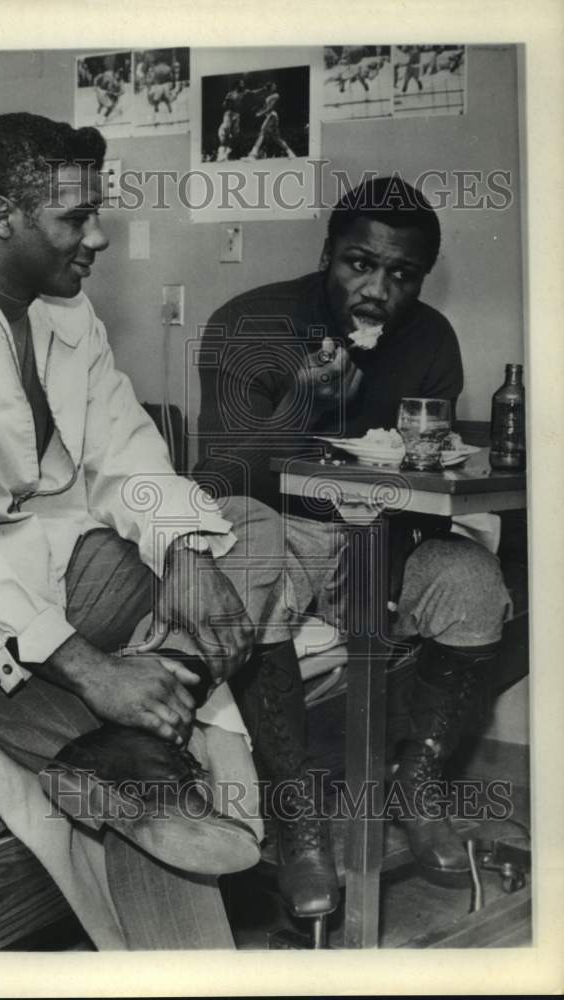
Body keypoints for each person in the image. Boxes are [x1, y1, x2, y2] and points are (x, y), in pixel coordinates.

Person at [0, 112, 327, 949]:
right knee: (137, 758)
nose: (99, 238)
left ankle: (142, 721)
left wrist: (184, 549)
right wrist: (88, 669)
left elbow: (125, 450)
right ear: (3, 215)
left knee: (249, 527)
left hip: (72, 563)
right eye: (75, 218)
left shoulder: (63, 311)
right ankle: (132, 753)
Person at [193, 177, 512, 907]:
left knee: (475, 583)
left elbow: (428, 487)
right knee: (254, 555)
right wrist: (307, 405)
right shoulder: (253, 321)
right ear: (327, 254)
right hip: (282, 534)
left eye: (402, 275)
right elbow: (213, 482)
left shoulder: (432, 339)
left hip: (387, 543)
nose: (377, 289)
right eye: (358, 264)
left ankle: (417, 780)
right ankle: (297, 814)